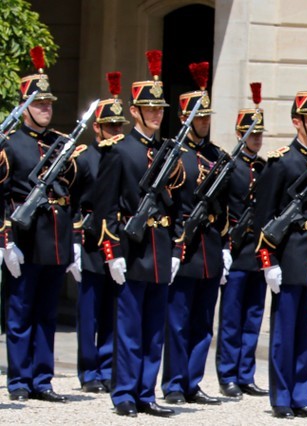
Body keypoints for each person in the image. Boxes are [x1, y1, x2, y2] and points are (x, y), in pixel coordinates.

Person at [92, 50, 178, 418]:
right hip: (132, 247)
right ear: (134, 111)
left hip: (158, 248)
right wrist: (112, 253)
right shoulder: (119, 151)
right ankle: (124, 392)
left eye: (160, 109)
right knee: (128, 328)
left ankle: (146, 391)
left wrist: (175, 250)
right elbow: (104, 208)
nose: (157, 114)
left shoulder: (166, 151)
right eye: (150, 108)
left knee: (153, 329)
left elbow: (174, 207)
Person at [253, 63, 307, 420]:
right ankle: (282, 398)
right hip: (289, 259)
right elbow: (263, 217)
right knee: (285, 335)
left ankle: (302, 396)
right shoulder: (280, 163)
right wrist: (267, 261)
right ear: (296, 122)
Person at [3, 46, 74, 403]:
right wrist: (5, 240)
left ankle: (42, 379)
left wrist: (73, 239)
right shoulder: (11, 145)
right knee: (20, 312)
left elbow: (72, 193)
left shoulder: (61, 144)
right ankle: (18, 380)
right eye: (40, 104)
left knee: (46, 313)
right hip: (25, 237)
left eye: (49, 104)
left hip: (56, 237)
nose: (46, 109)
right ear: (25, 106)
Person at [161, 62, 227, 407]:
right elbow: (167, 205)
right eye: (199, 117)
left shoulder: (216, 155)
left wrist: (226, 246)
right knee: (177, 322)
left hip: (210, 249)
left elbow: (227, 207)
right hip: (183, 248)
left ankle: (192, 381)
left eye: (207, 117)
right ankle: (173, 382)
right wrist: (172, 246)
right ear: (186, 117)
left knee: (203, 323)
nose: (205, 122)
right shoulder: (174, 154)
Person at [71, 71, 127, 394]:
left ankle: (107, 368)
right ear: (97, 128)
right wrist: (75, 245)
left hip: (117, 244)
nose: (115, 132)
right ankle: (88, 371)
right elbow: (74, 205)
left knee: (112, 312)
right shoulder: (85, 159)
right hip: (91, 244)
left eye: (120, 127)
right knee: (90, 313)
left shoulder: (124, 157)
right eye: (110, 127)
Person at [215, 83, 269, 399]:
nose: (256, 139)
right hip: (235, 251)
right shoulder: (229, 167)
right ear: (240, 134)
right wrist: (224, 245)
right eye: (251, 134)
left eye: (259, 134)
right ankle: (227, 374)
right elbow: (218, 208)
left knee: (252, 317)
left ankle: (245, 373)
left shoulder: (263, 167)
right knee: (232, 318)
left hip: (256, 253)